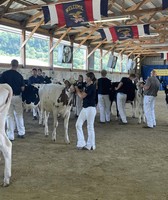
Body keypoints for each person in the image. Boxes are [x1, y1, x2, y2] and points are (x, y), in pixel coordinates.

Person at [0, 59, 25, 140]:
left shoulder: (4, 74)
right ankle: (21, 133)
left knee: (9, 116)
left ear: (10, 64)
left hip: (7, 97)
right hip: (17, 97)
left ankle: (11, 136)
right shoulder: (20, 76)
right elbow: (22, 88)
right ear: (17, 66)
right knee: (19, 115)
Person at [75, 72, 97, 150]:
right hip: (85, 108)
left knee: (90, 126)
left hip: (90, 108)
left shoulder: (92, 87)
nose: (85, 78)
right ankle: (81, 143)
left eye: (86, 77)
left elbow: (81, 96)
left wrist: (77, 89)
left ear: (89, 78)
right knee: (78, 124)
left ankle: (91, 145)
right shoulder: (87, 85)